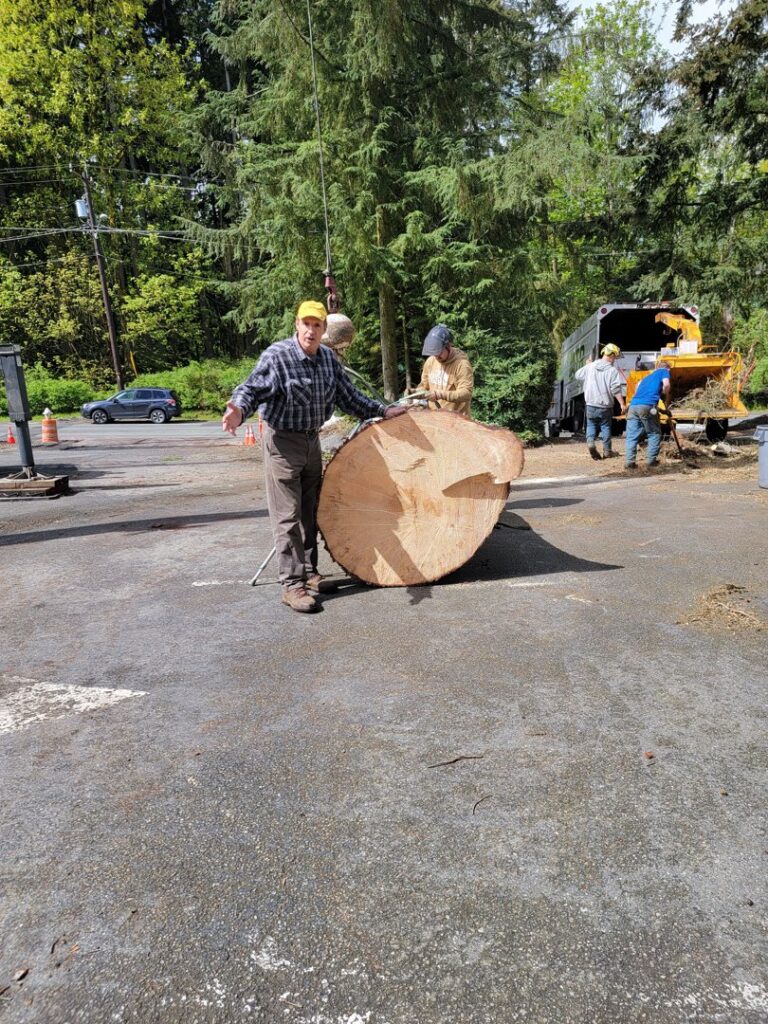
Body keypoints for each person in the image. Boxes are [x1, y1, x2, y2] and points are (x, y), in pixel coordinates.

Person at [222, 300, 407, 613]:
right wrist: (238, 409)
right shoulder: (277, 356)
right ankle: (292, 585)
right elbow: (251, 389)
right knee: (287, 516)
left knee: (310, 511)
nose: (311, 330)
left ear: (324, 329)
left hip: (312, 442)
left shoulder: (327, 360)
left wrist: (383, 410)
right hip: (283, 443)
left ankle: (309, 573)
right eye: (306, 323)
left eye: (317, 325)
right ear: (297, 324)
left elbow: (350, 397)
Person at [574, 343, 626, 460]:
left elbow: (577, 375)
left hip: (591, 404)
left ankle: (591, 442)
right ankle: (607, 451)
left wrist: (586, 365)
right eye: (615, 357)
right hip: (605, 406)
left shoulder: (590, 366)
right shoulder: (612, 371)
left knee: (591, 425)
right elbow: (615, 389)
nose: (615, 359)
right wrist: (622, 403)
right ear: (611, 355)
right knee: (606, 427)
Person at [624, 360, 672, 470]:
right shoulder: (664, 371)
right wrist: (666, 393)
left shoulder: (646, 378)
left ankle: (629, 463)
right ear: (668, 368)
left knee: (631, 436)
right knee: (654, 433)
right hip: (648, 406)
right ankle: (651, 461)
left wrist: (663, 411)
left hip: (633, 406)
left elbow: (638, 390)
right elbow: (666, 384)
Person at [418, 324, 474, 417]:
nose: (436, 357)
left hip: (457, 420)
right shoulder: (431, 361)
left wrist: (440, 394)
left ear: (448, 346)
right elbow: (424, 386)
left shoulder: (462, 365)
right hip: (435, 417)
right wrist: (415, 393)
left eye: (439, 352)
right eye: (434, 353)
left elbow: (466, 393)